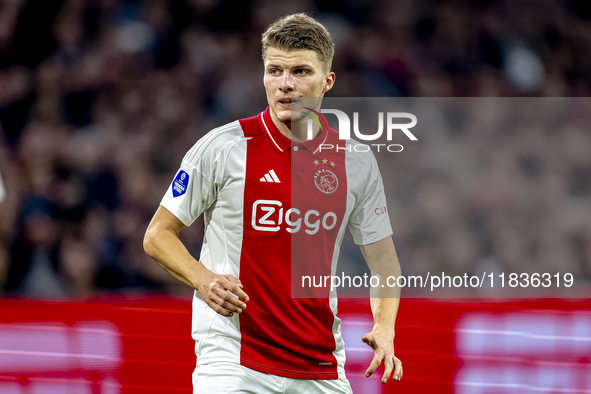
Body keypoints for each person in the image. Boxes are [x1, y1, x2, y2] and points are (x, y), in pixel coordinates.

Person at [144, 13, 403, 393]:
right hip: (233, 358)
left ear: (327, 81)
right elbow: (157, 235)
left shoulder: (356, 161)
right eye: (275, 71)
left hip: (319, 362)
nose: (286, 84)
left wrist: (384, 325)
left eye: (300, 71)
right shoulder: (223, 147)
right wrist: (204, 279)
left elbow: (384, 261)